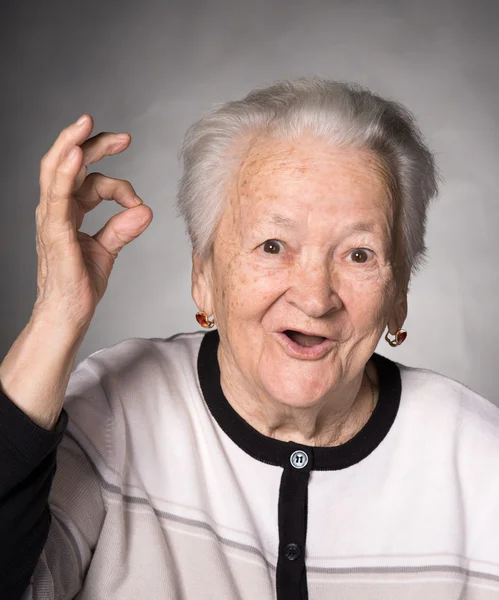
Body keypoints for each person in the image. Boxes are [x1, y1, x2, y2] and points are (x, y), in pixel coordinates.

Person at [1, 77, 498, 600]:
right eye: (273, 245)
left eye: (358, 254)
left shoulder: (478, 460)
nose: (314, 298)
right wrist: (57, 315)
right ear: (204, 275)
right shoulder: (111, 413)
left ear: (398, 292)